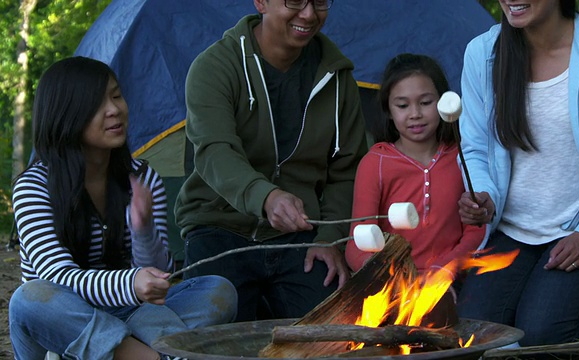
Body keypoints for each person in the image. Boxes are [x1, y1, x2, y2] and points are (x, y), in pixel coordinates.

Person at [9, 57, 237, 360]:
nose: (114, 109)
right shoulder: (34, 186)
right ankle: (152, 355)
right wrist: (130, 283)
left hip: (128, 313)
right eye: (96, 104)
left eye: (116, 96)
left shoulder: (141, 177)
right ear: (65, 115)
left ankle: (104, 352)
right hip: (64, 323)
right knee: (28, 299)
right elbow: (55, 277)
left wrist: (143, 231)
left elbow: (159, 275)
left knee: (218, 291)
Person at [456, 0, 579, 346]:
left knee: (542, 335)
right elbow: (475, 147)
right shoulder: (482, 53)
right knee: (474, 333)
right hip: (511, 230)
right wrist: (485, 194)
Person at [174, 0, 368, 322]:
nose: (308, 14)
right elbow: (214, 151)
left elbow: (346, 171)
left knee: (333, 330)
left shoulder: (337, 77)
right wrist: (266, 197)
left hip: (301, 237)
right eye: (294, 1)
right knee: (214, 336)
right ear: (261, 2)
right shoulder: (216, 66)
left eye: (320, 2)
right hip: (218, 227)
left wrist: (328, 238)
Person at [345, 54, 486, 279]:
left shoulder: (463, 155)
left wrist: (443, 271)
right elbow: (357, 243)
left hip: (452, 277)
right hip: (391, 282)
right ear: (388, 111)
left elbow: (475, 231)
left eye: (425, 102)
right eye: (402, 105)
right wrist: (389, 277)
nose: (415, 114)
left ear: (444, 102)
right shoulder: (376, 163)